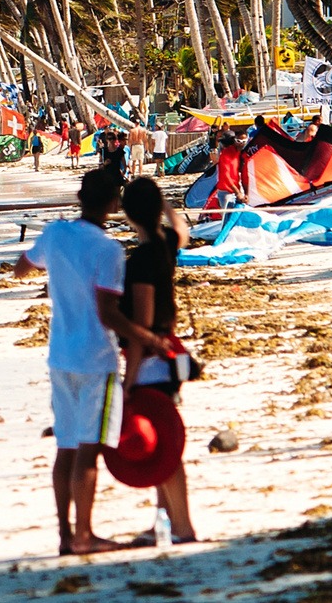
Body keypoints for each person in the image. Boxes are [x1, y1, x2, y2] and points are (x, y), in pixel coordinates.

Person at [1, 168, 164, 556]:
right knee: (88, 452)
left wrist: (53, 271)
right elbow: (108, 313)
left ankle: (64, 535)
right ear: (113, 204)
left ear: (79, 197)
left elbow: (22, 267)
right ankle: (85, 535)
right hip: (96, 359)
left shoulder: (55, 234)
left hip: (60, 355)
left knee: (66, 448)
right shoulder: (108, 249)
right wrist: (149, 338)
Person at [119, 176, 200, 545]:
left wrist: (128, 380)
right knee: (162, 444)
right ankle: (164, 523)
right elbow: (181, 230)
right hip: (167, 355)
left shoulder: (142, 260)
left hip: (152, 358)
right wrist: (166, 205)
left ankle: (182, 527)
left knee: (164, 446)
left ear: (127, 215)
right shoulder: (164, 246)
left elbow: (141, 325)